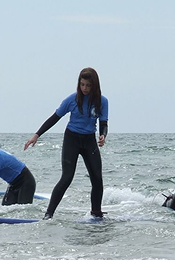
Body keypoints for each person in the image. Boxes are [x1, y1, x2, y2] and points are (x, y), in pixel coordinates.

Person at [24, 67, 109, 220]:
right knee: (67, 177)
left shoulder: (102, 101)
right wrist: (36, 135)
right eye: (82, 85)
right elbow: (54, 118)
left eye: (88, 86)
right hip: (72, 139)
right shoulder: (72, 100)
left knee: (97, 179)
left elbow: (104, 123)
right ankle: (48, 215)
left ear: (94, 85)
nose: (85, 88)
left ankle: (96, 214)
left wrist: (103, 135)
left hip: (89, 140)